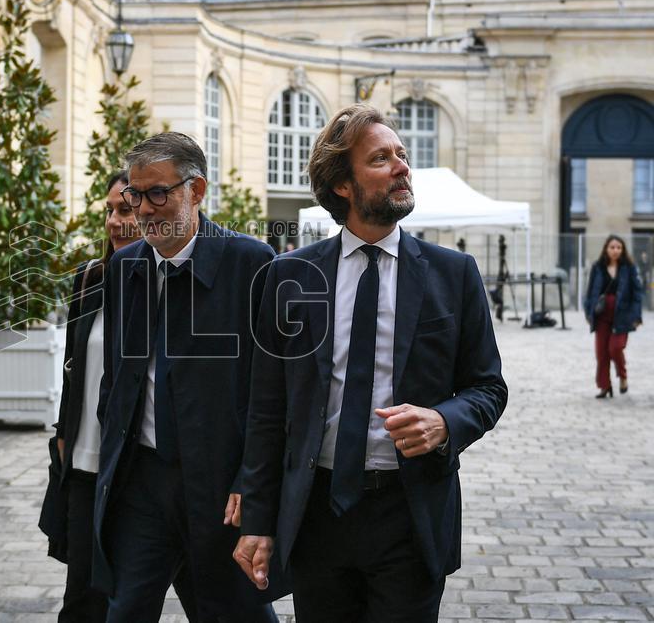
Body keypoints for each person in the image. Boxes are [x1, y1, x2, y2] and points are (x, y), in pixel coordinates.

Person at [234, 104, 508, 622]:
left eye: (401, 154)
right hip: (316, 516)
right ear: (342, 184)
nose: (403, 166)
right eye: (381, 159)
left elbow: (489, 387)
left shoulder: (454, 274)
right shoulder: (290, 277)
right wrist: (258, 519)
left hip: (410, 512)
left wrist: (443, 421)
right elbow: (266, 408)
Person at [93, 133, 280, 622]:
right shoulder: (124, 267)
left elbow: (273, 391)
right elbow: (116, 377)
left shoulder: (252, 264)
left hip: (222, 488)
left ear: (196, 191)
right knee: (125, 611)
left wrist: (252, 480)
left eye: (158, 193)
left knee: (235, 612)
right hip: (142, 482)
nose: (143, 209)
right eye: (135, 194)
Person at [39, 171, 199, 621]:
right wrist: (64, 436)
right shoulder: (91, 278)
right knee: (85, 603)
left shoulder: (178, 280)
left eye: (126, 210)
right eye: (110, 211)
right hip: (88, 468)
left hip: (150, 471)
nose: (115, 221)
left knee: (209, 598)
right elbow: (75, 365)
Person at [583, 235, 643, 398]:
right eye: (612, 247)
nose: (615, 250)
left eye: (619, 247)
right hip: (601, 315)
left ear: (622, 250)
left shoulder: (629, 268)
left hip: (622, 315)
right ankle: (605, 386)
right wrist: (588, 312)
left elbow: (637, 293)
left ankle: (622, 376)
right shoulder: (598, 267)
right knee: (601, 353)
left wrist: (637, 316)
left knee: (615, 348)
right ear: (606, 249)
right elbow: (590, 291)